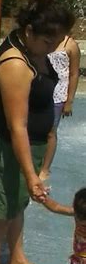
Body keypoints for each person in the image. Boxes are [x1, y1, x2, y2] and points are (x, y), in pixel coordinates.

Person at [0, 0, 75, 264]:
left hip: (26, 144)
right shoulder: (16, 65)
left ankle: (16, 258)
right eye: (48, 42)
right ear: (29, 31)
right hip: (4, 145)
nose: (54, 49)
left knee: (17, 204)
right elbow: (16, 126)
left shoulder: (35, 49)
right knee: (4, 208)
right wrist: (33, 176)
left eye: (58, 42)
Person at [39, 34, 81, 180]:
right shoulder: (42, 38)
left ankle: (45, 168)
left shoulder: (70, 45)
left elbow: (74, 74)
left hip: (58, 94)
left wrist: (69, 101)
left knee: (51, 132)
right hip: (39, 90)